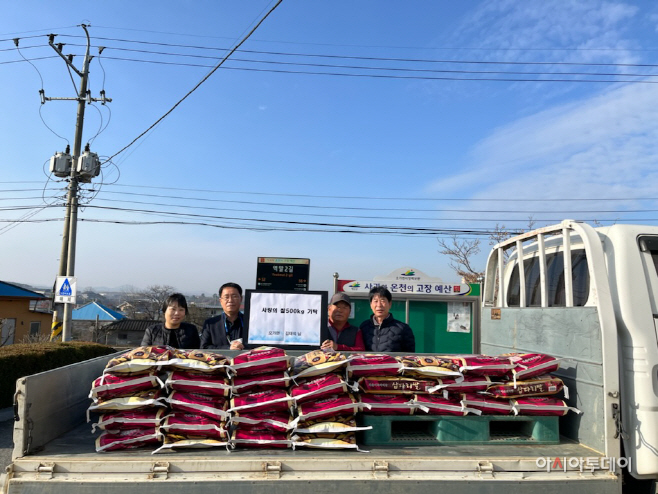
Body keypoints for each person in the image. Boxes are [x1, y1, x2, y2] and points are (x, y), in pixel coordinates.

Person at [360, 286, 415, 352]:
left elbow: (409, 356)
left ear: (390, 304)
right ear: (371, 305)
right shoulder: (364, 327)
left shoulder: (403, 328)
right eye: (376, 301)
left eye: (382, 301)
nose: (379, 305)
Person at [200, 282, 245, 350]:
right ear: (220, 301)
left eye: (234, 296)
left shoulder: (251, 322)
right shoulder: (210, 324)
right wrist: (228, 348)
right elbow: (204, 347)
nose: (230, 300)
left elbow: (259, 347)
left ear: (241, 299)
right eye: (226, 297)